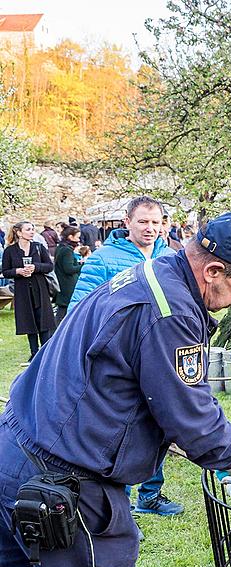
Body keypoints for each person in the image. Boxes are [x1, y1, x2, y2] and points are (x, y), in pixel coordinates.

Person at [0, 211, 231, 567]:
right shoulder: (172, 309)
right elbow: (189, 416)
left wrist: (219, 432)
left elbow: (167, 391)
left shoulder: (154, 272)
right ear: (214, 270)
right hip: (61, 479)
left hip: (16, 450)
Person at [68, 197, 183, 517]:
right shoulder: (104, 259)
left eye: (156, 222)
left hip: (159, 358)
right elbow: (80, 309)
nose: (150, 228)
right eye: (143, 221)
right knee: (122, 433)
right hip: (120, 362)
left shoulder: (170, 257)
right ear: (127, 222)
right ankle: (120, 505)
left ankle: (151, 495)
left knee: (158, 428)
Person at [1, 222, 55, 363]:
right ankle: (34, 352)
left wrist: (35, 267)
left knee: (43, 320)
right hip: (22, 289)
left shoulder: (39, 247)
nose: (32, 232)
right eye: (28, 229)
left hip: (40, 288)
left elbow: (49, 266)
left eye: (33, 229)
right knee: (28, 320)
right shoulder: (10, 251)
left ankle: (45, 351)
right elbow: (5, 271)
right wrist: (18, 271)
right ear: (19, 233)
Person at [53, 225, 83, 324]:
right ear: (70, 237)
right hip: (67, 284)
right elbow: (69, 269)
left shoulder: (61, 247)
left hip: (62, 281)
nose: (79, 239)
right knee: (65, 309)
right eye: (77, 237)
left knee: (63, 310)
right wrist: (83, 265)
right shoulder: (67, 250)